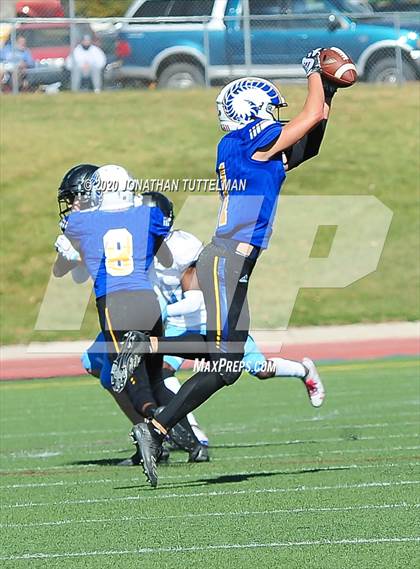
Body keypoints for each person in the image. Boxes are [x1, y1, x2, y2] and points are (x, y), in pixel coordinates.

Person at [113, 49, 337, 487]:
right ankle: (154, 421)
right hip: (227, 259)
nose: (276, 117)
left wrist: (328, 92)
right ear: (253, 110)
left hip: (233, 261)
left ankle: (150, 366)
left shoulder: (247, 146)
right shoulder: (249, 141)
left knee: (228, 362)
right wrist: (314, 72)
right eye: (269, 109)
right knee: (226, 363)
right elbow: (308, 117)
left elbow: (310, 141)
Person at [55, 170, 207, 462]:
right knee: (154, 377)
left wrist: (75, 250)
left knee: (126, 377)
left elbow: (69, 269)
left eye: (76, 196)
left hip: (115, 304)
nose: (72, 203)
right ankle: (194, 444)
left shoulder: (80, 223)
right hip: (148, 301)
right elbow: (164, 256)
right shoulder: (147, 214)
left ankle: (154, 420)